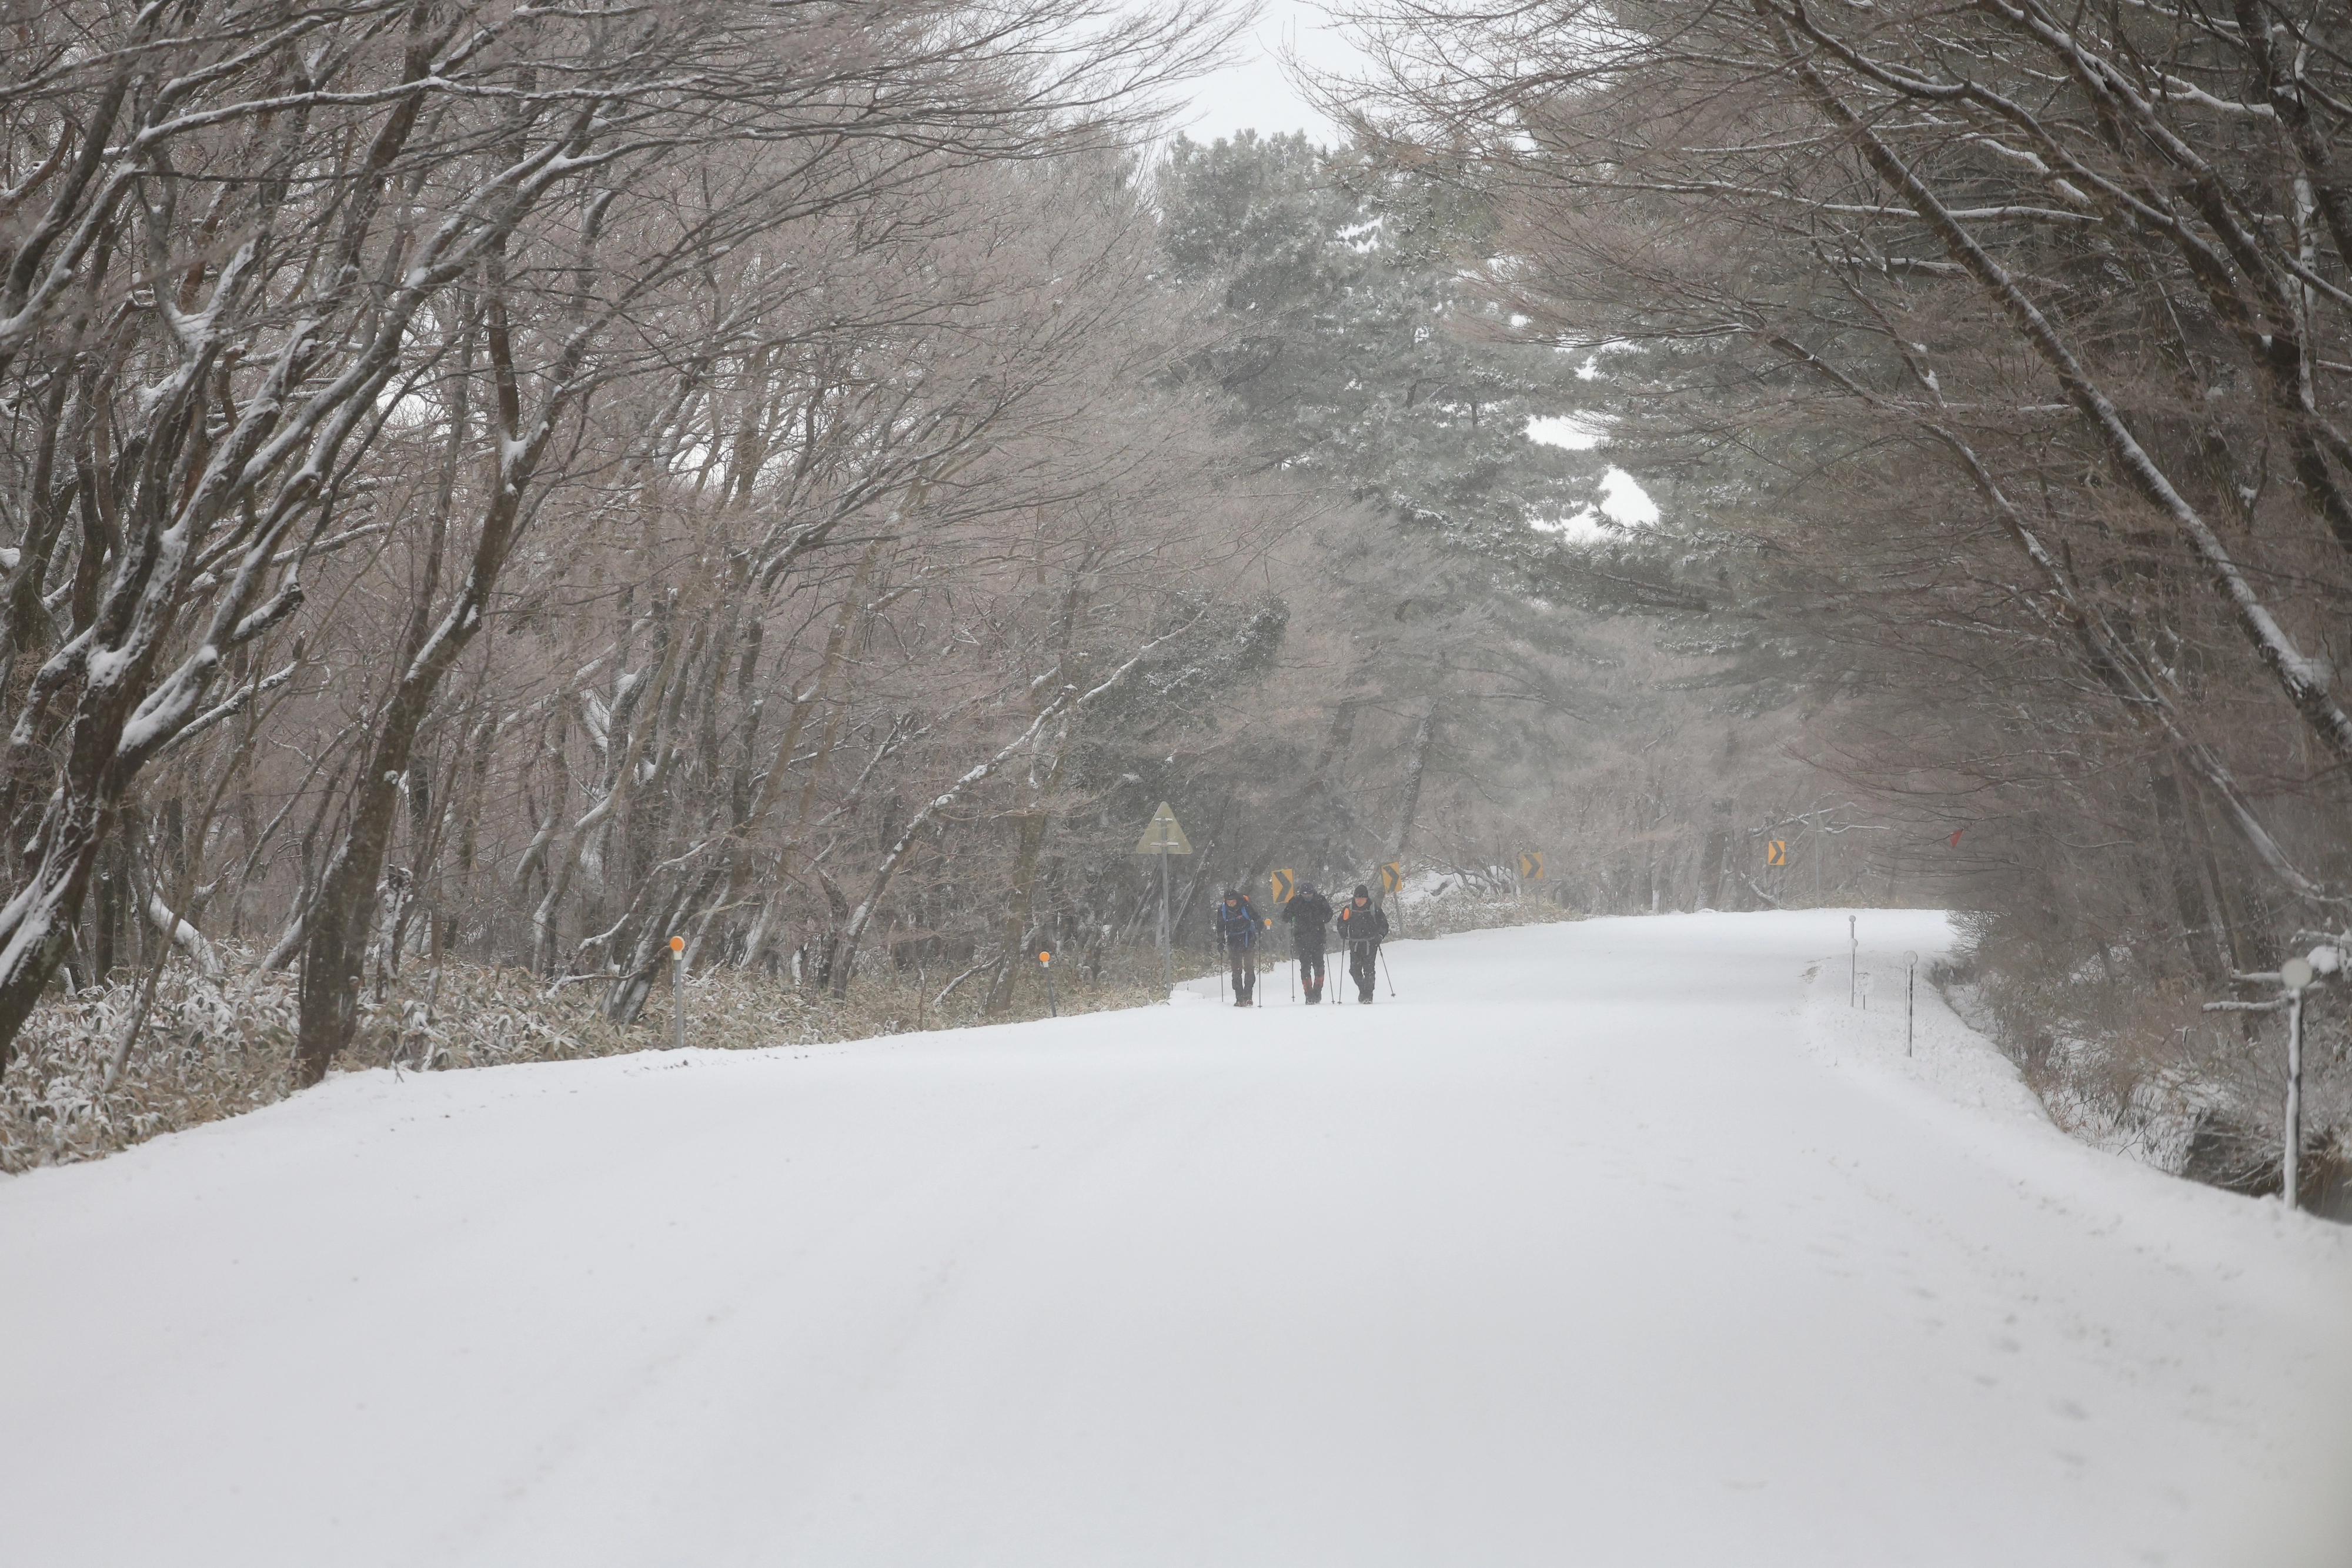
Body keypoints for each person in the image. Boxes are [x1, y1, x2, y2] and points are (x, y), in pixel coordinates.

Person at [1282, 880, 1334, 1003]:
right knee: (1305, 967)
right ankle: (1308, 993)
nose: (1307, 897)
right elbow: (1285, 916)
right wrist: (1291, 917)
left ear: (1313, 893)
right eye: (1304, 895)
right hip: (1302, 939)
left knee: (1319, 966)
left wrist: (1321, 920)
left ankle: (1318, 990)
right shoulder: (1295, 902)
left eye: (1309, 895)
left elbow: (1329, 914)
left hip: (1318, 938)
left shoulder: (1320, 900)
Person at [1335, 882, 1388, 1003]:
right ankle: (1363, 990)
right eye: (1357, 898)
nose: (1359, 901)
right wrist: (1343, 931)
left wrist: (1379, 936)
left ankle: (1368, 995)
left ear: (1366, 898)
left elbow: (1384, 925)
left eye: (1361, 899)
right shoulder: (1349, 908)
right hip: (1355, 944)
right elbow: (1342, 922)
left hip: (1370, 944)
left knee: (1369, 970)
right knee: (1354, 970)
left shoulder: (1374, 908)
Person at [1212, 887, 1260, 1006]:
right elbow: (1220, 927)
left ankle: (1248, 995)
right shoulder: (1222, 910)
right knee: (1236, 970)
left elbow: (1256, 916)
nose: (1231, 904)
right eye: (1229, 902)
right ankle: (1239, 997)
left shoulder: (1245, 905)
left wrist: (1260, 924)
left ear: (1237, 899)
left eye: (1233, 902)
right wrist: (1220, 941)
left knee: (1249, 968)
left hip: (1248, 939)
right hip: (1233, 942)